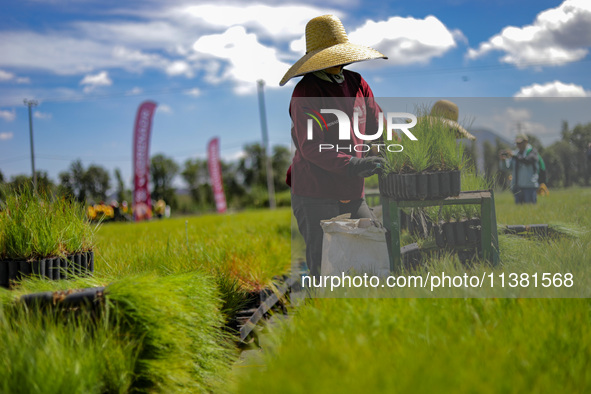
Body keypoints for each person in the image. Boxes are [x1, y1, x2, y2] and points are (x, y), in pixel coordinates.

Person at [280, 15, 387, 278]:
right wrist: (352, 164)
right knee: (325, 264)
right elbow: (311, 146)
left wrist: (383, 148)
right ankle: (321, 311)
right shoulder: (305, 93)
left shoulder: (357, 83)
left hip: (352, 189)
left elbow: (376, 122)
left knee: (370, 248)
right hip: (315, 191)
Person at [499, 134, 539, 204]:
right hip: (518, 188)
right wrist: (503, 161)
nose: (518, 145)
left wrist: (514, 156)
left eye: (520, 143)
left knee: (530, 210)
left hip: (529, 187)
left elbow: (527, 161)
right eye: (517, 143)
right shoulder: (515, 153)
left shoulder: (532, 152)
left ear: (526, 142)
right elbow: (507, 167)